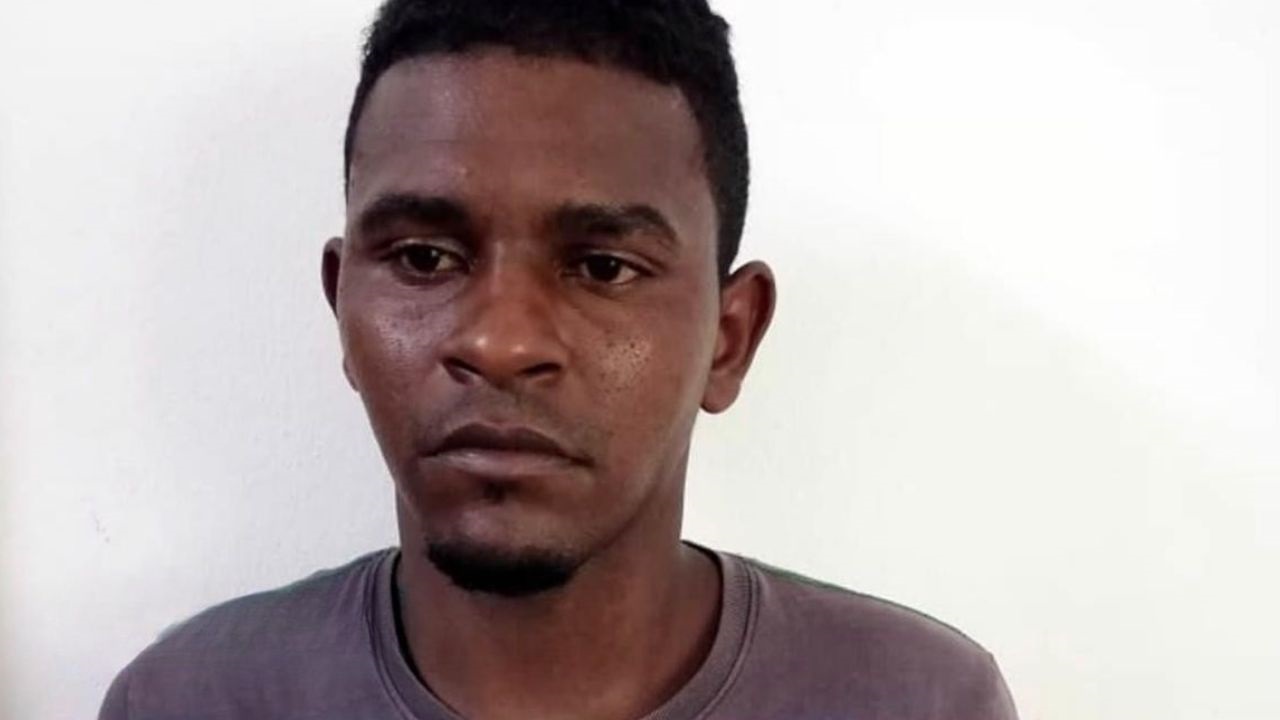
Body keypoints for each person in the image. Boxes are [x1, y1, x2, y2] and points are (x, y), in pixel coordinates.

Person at [99, 1, 1019, 718]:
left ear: (730, 338)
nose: (501, 342)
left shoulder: (920, 702)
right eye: (424, 258)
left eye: (602, 267)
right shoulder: (189, 702)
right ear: (343, 309)